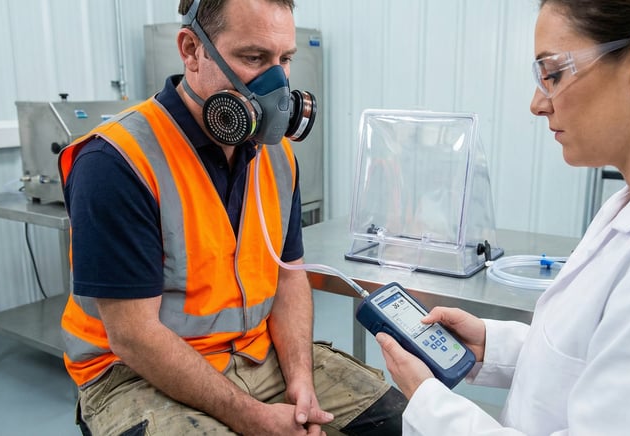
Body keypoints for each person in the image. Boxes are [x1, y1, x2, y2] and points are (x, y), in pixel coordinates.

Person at [376, 0, 630, 434]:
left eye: (554, 73)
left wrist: (429, 403)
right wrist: (492, 345)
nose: (537, 103)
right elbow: (602, 355)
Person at [58, 0, 406, 434]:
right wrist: (254, 418)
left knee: (399, 421)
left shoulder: (277, 155)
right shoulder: (117, 162)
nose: (276, 82)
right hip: (134, 374)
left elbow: (288, 276)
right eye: (253, 58)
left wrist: (301, 380)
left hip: (255, 351)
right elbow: (133, 336)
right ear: (191, 50)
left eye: (285, 60)